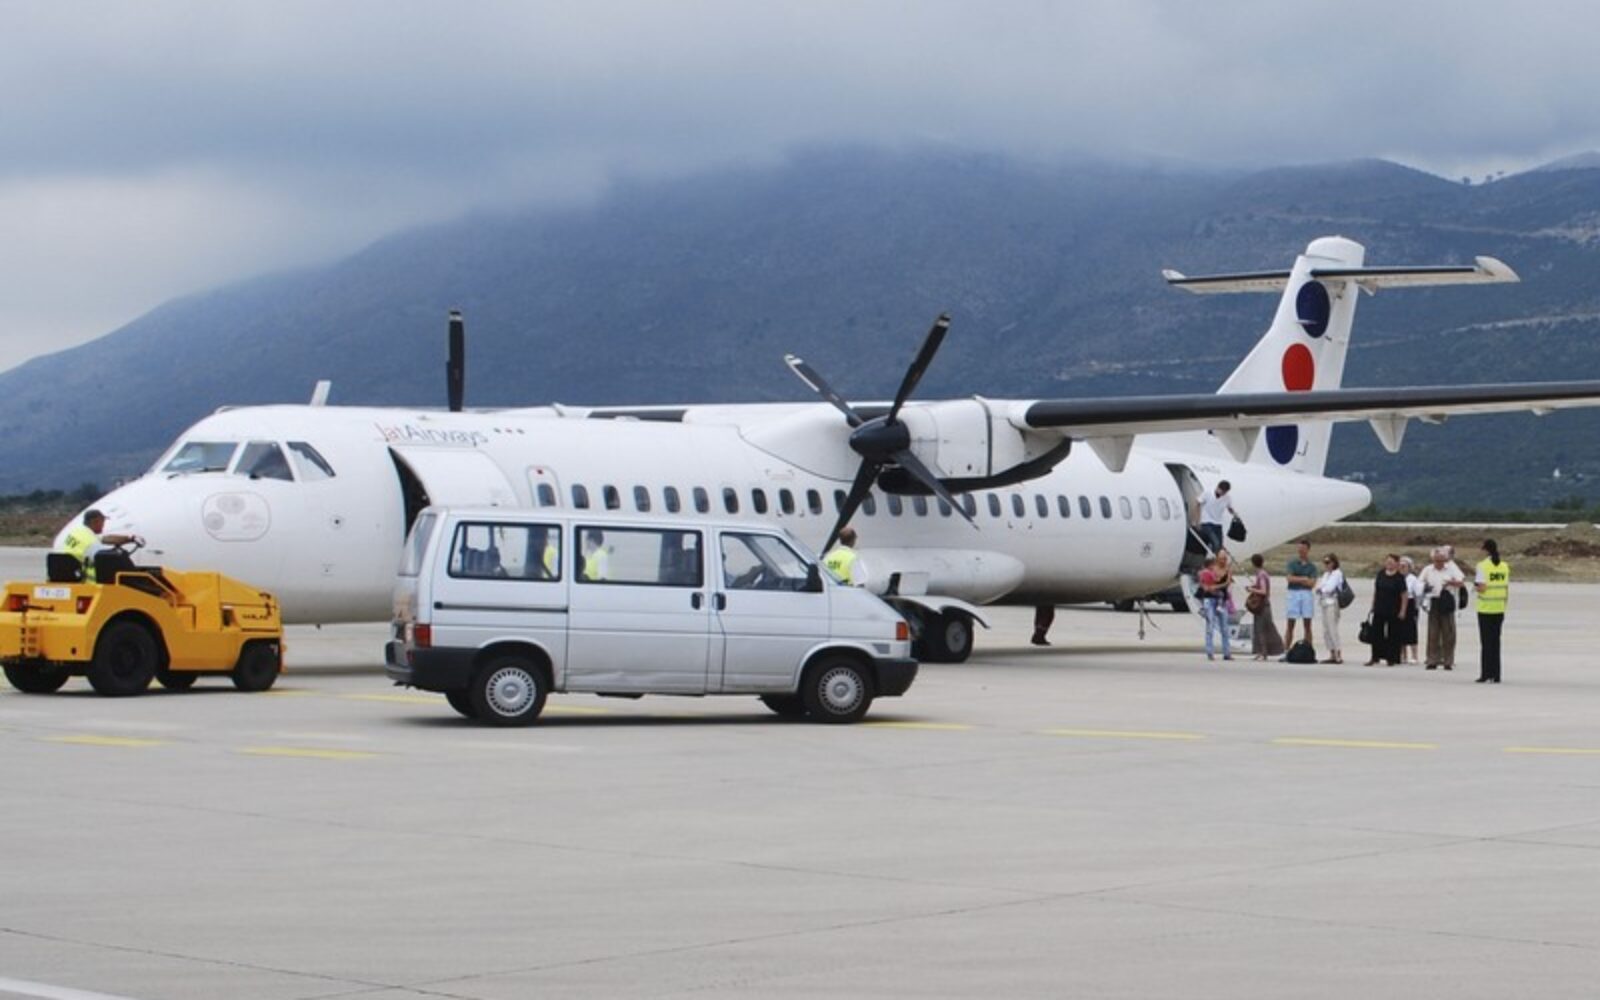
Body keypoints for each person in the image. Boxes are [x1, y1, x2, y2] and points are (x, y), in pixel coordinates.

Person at [57, 508, 142, 582]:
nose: (103, 525)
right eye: (102, 522)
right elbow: (106, 560)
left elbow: (105, 538)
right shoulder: (91, 543)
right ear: (95, 522)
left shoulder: (78, 532)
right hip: (90, 582)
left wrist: (130, 538)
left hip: (72, 575)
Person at [1418, 546, 1466, 670]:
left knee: (1448, 632)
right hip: (1433, 601)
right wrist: (1425, 587)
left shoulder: (1451, 569)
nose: (1439, 563)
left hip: (1447, 601)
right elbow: (1419, 583)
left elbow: (1461, 582)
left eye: (1441, 560)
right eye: (1436, 560)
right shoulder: (1428, 569)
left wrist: (1450, 583)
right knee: (1433, 633)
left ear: (1445, 560)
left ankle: (1448, 661)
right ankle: (1432, 660)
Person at [1475, 538, 1511, 683]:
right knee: (1496, 643)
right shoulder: (1504, 566)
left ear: (1485, 550)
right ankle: (1496, 674)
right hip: (1499, 608)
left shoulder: (1482, 566)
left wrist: (1475, 588)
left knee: (1486, 643)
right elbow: (1506, 588)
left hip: (1485, 609)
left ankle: (1486, 673)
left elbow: (1482, 587)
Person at [1366, 554, 1409, 666]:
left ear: (1396, 564)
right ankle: (1375, 656)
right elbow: (1376, 591)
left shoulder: (1399, 577)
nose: (1389, 564)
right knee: (1376, 634)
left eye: (1391, 562)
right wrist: (1373, 605)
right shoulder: (1380, 574)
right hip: (1379, 608)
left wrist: (1403, 610)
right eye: (1387, 562)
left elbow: (1404, 595)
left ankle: (1392, 658)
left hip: (1393, 609)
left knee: (1393, 634)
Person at [1246, 553, 1285, 660]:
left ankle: (1264, 652)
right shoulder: (1262, 573)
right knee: (1259, 628)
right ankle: (1261, 651)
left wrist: (1252, 590)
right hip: (1263, 605)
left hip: (1263, 605)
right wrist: (1255, 586)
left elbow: (1263, 591)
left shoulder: (1261, 575)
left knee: (1262, 628)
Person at [1283, 539, 1317, 655]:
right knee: (1290, 622)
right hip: (1293, 593)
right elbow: (1289, 578)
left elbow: (1312, 583)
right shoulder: (1293, 564)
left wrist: (1297, 579)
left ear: (1308, 550)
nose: (1301, 551)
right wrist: (1303, 579)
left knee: (1307, 623)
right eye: (1299, 548)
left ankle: (1309, 650)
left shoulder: (1312, 566)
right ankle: (1286, 650)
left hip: (1306, 593)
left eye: (1303, 549)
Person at [1197, 555, 1232, 661]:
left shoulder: (1224, 571)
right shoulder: (1207, 573)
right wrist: (1222, 583)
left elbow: (1224, 584)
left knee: (1224, 628)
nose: (1224, 561)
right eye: (1221, 559)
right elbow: (1206, 587)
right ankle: (1210, 652)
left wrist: (1217, 585)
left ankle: (1226, 653)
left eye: (1225, 559)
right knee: (1210, 627)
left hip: (1219, 600)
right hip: (1210, 600)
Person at [1315, 554, 1345, 664]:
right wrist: (1321, 589)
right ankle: (1331, 653)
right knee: (1326, 629)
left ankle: (1338, 653)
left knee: (1332, 628)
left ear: (1333, 563)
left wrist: (1322, 589)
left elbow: (1329, 588)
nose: (1326, 565)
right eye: (1325, 563)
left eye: (1328, 562)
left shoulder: (1337, 573)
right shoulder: (1326, 574)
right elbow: (1319, 586)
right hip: (1324, 602)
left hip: (1332, 603)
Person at [1194, 481, 1236, 554]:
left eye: (1225, 493)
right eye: (1222, 492)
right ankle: (1214, 558)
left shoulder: (1227, 497)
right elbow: (1197, 504)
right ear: (1218, 487)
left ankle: (1216, 558)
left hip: (1218, 523)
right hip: (1206, 522)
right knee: (1215, 543)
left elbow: (1229, 508)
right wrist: (1197, 521)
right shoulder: (1208, 493)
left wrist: (1235, 514)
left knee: (1219, 545)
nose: (1223, 494)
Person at [1400, 555, 1424, 664]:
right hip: (1398, 603)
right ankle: (1402, 655)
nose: (1402, 568)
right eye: (1400, 566)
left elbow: (1418, 593)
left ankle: (1414, 655)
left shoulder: (1413, 579)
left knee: (1411, 630)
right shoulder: (1397, 578)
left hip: (1410, 604)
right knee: (1399, 630)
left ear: (1409, 568)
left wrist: (1417, 607)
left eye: (1404, 566)